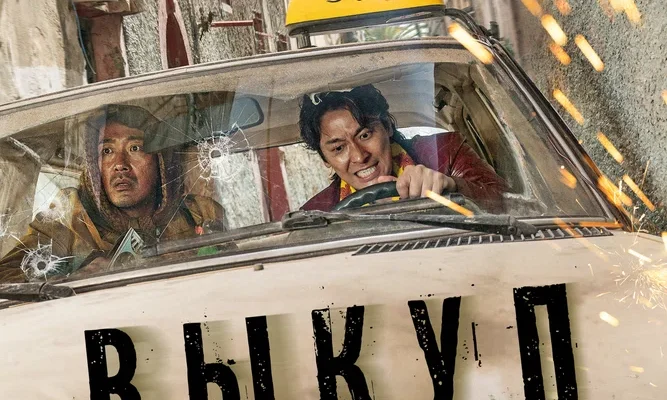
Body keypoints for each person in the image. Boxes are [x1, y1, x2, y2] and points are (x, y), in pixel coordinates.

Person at [0, 104, 225, 282]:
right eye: (107, 151)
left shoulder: (199, 212)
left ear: (161, 161)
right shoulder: (67, 218)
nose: (120, 165)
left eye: (135, 148)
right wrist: (75, 279)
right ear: (94, 166)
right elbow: (6, 280)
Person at [299, 85, 506, 211]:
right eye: (338, 148)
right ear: (325, 159)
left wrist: (452, 186)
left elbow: (513, 205)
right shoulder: (315, 213)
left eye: (365, 135)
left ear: (388, 127)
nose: (359, 156)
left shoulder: (445, 152)